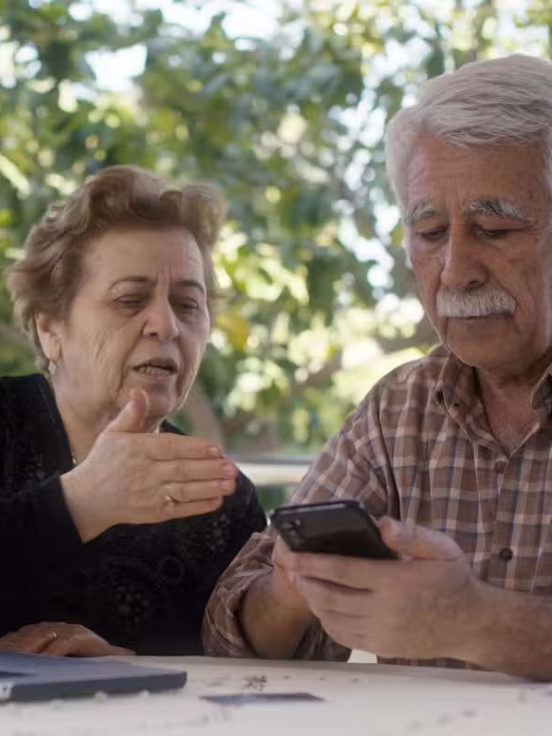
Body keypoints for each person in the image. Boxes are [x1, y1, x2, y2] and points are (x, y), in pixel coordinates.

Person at [203, 54, 552, 680]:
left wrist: (473, 620)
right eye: (429, 234)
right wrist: (295, 587)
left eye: (495, 230)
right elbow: (233, 633)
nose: (454, 271)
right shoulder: (402, 410)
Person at [0, 165, 265, 657]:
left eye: (188, 305)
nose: (165, 325)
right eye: (130, 300)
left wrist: (125, 666)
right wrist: (83, 501)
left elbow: (235, 674)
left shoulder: (222, 496)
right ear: (50, 328)